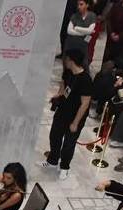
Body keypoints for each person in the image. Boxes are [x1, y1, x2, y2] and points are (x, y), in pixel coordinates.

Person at [41, 49, 92, 179]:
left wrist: (75, 122)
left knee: (69, 143)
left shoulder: (85, 79)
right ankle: (52, 160)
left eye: (66, 59)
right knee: (55, 136)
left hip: (75, 116)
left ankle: (64, 166)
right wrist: (58, 95)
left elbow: (85, 103)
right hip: (62, 111)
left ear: (71, 60)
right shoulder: (68, 72)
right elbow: (63, 87)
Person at [65, 0, 96, 64]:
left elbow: (90, 31)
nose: (79, 7)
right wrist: (84, 32)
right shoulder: (74, 16)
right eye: (78, 5)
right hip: (73, 42)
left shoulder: (92, 16)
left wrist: (76, 28)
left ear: (87, 5)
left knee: (83, 62)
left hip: (84, 44)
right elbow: (69, 31)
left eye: (81, 4)